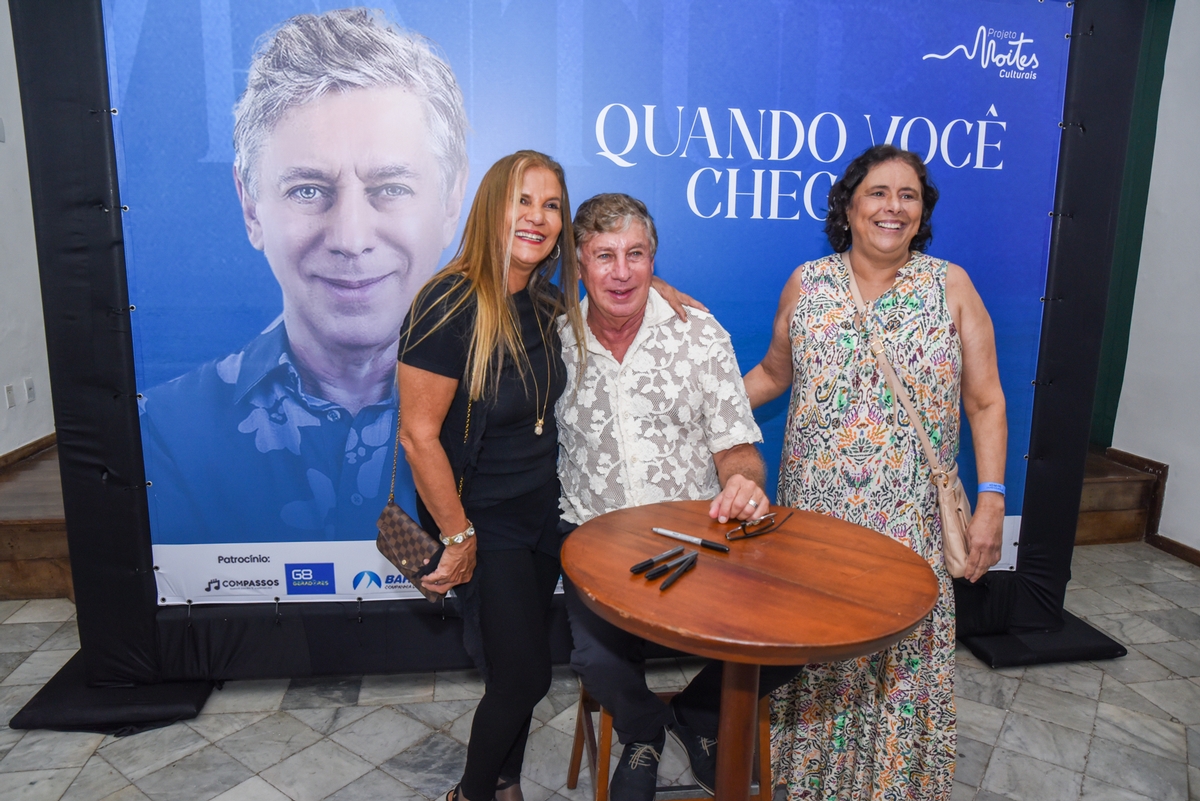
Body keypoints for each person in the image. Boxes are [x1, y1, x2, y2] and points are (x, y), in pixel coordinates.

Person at [139, 9, 468, 544]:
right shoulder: (165, 434)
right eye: (308, 190)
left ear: (451, 201)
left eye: (390, 188)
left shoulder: (511, 407)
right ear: (251, 207)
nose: (351, 238)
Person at [743, 144, 1007, 799]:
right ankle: (811, 783)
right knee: (818, 658)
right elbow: (773, 373)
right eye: (878, 193)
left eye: (908, 195)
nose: (893, 207)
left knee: (901, 661)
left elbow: (985, 401)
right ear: (849, 207)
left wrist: (993, 501)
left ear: (922, 213)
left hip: (909, 526)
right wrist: (701, 409)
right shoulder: (807, 283)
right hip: (815, 524)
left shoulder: (951, 286)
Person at [556, 193, 802, 801]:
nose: (622, 272)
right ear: (579, 263)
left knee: (797, 639)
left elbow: (737, 445)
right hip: (595, 540)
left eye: (636, 254)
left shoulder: (700, 334)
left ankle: (697, 715)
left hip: (697, 539)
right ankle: (643, 729)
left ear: (654, 258)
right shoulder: (552, 340)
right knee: (595, 659)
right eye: (605, 255)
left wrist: (744, 481)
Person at [397, 150, 583, 801]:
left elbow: (619, 306)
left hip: (543, 514)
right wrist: (457, 536)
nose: (537, 216)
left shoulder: (547, 303)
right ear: (491, 209)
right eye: (521, 201)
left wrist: (664, 293)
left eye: (551, 205)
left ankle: (505, 786)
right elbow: (418, 436)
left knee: (516, 668)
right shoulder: (446, 303)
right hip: (481, 521)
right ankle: (470, 794)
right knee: (526, 676)